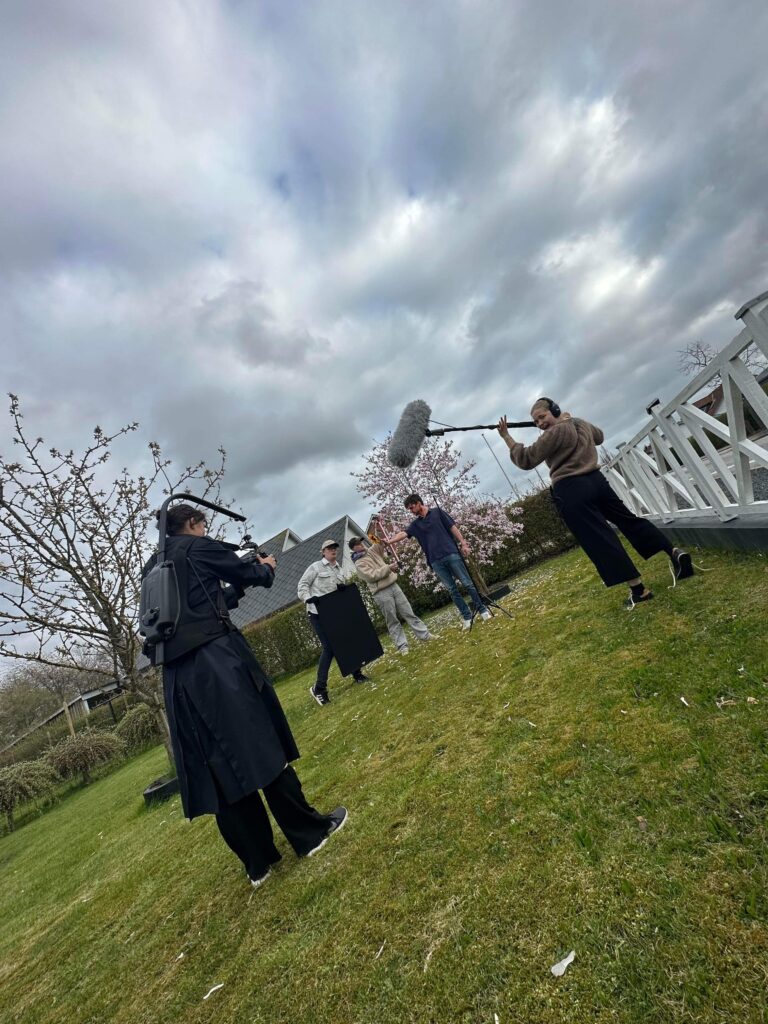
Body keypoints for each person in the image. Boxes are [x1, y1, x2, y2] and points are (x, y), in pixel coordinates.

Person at [143, 503, 347, 890]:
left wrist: (234, 589)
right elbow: (252, 574)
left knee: (219, 767)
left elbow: (203, 602)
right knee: (260, 744)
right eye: (203, 525)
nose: (205, 530)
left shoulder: (153, 565)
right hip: (217, 665)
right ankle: (309, 834)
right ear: (192, 523)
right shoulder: (198, 547)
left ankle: (258, 862)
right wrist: (265, 567)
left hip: (177, 680)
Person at [497, 398, 694, 608]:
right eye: (536, 421)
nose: (539, 423)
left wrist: (507, 437)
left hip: (571, 489)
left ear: (554, 410)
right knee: (630, 521)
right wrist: (575, 423)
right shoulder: (578, 423)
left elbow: (526, 459)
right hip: (597, 481)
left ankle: (639, 591)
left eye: (542, 417)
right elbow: (599, 437)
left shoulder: (552, 434)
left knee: (600, 539)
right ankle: (674, 552)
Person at [386, 495, 491, 629]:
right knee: (452, 590)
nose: (411, 511)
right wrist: (389, 541)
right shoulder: (415, 525)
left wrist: (463, 543)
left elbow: (453, 527)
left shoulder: (437, 512)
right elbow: (403, 534)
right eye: (409, 509)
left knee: (468, 584)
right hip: (435, 561)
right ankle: (467, 617)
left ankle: (483, 610)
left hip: (451, 554)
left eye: (412, 508)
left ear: (418, 503)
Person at [297, 538, 370, 706]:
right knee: (329, 648)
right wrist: (308, 598)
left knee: (346, 640)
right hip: (317, 613)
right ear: (323, 552)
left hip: (335, 613)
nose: (333, 550)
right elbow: (302, 585)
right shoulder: (315, 567)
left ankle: (357, 674)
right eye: (329, 548)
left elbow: (339, 589)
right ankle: (319, 688)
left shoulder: (339, 569)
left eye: (335, 548)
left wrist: (342, 588)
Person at [348, 536, 433, 654]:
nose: (361, 545)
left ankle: (425, 635)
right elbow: (371, 576)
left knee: (408, 612)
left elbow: (380, 544)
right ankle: (402, 646)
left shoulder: (371, 551)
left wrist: (378, 536)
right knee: (392, 620)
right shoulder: (359, 563)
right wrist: (388, 568)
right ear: (353, 548)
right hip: (380, 592)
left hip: (394, 585)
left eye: (361, 542)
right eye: (358, 544)